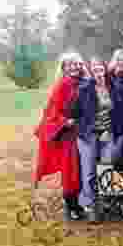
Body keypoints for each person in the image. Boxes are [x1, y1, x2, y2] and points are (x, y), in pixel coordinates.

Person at [72, 57, 123, 221]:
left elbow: (122, 109)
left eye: (100, 69)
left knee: (106, 168)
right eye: (94, 69)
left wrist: (112, 129)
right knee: (89, 171)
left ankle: (105, 203)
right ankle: (89, 206)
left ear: (105, 70)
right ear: (91, 71)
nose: (98, 72)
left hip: (108, 133)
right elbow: (74, 112)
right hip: (88, 135)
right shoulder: (84, 89)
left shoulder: (114, 87)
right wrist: (85, 129)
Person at [33, 51, 86, 221]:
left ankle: (83, 202)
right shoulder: (62, 85)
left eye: (77, 63)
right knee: (71, 170)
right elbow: (52, 111)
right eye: (70, 64)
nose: (74, 67)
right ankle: (72, 206)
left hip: (84, 131)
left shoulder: (84, 82)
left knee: (84, 168)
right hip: (68, 135)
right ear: (64, 68)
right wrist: (65, 122)